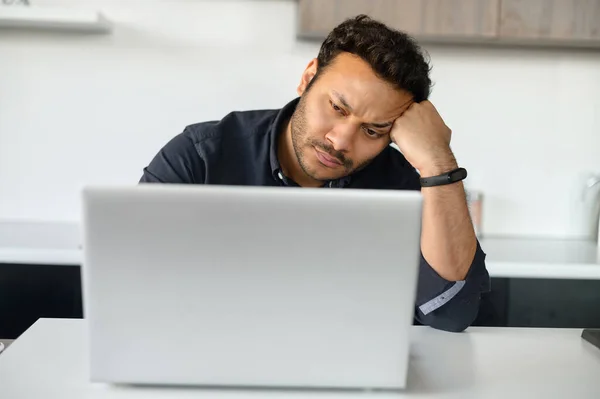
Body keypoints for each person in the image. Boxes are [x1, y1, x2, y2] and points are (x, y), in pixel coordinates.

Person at [140, 15, 490, 332]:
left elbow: (451, 312)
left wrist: (438, 163)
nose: (340, 141)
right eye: (337, 108)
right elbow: (134, 285)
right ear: (308, 79)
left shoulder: (404, 185)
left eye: (372, 131)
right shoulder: (200, 156)